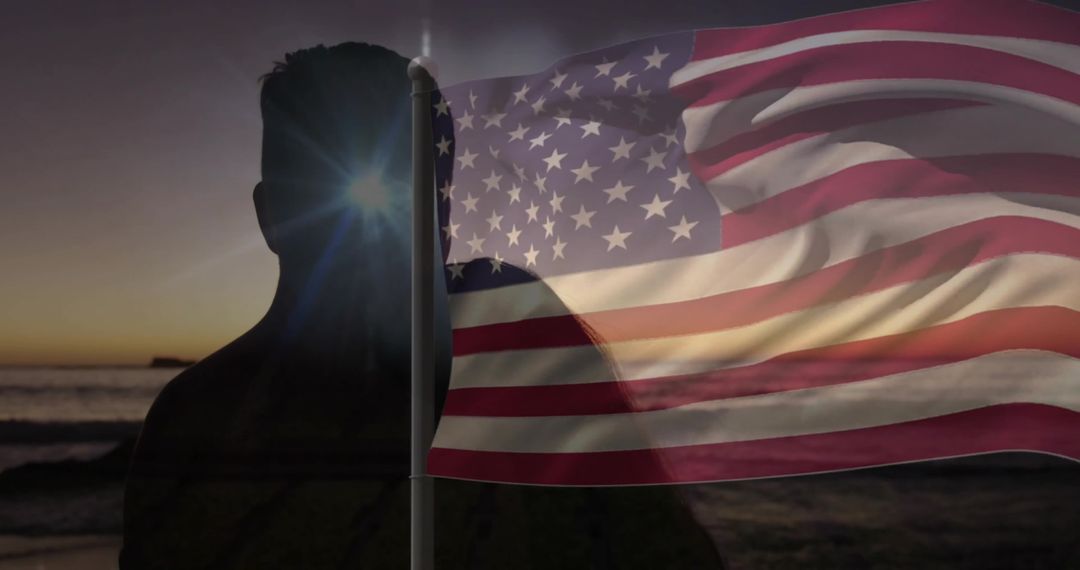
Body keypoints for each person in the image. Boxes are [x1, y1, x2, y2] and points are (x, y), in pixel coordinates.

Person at [122, 42, 722, 569]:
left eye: (416, 189)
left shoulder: (509, 344)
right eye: (346, 193)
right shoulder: (196, 420)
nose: (384, 226)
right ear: (270, 214)